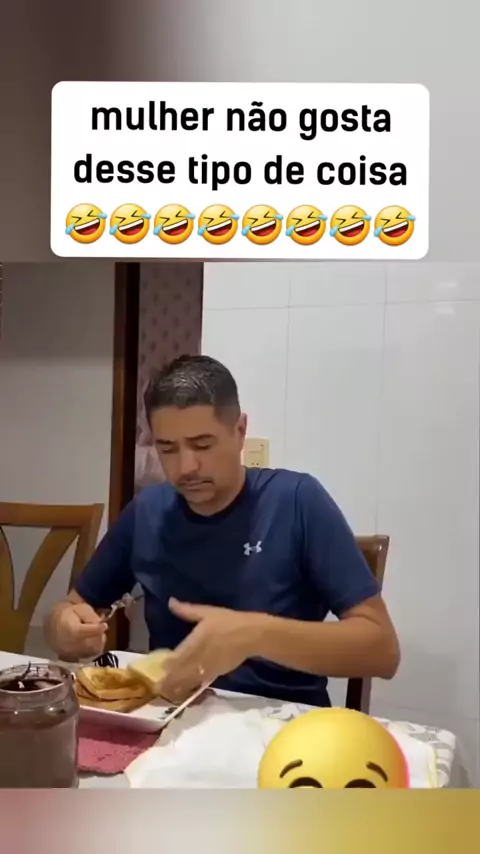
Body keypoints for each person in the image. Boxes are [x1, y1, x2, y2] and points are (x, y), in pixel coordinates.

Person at [45, 355, 400, 706]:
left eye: (203, 445)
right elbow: (72, 608)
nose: (186, 467)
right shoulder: (148, 511)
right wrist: (64, 627)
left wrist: (255, 634)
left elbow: (382, 650)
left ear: (240, 431)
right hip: (172, 717)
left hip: (284, 723)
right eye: (167, 449)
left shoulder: (296, 501)